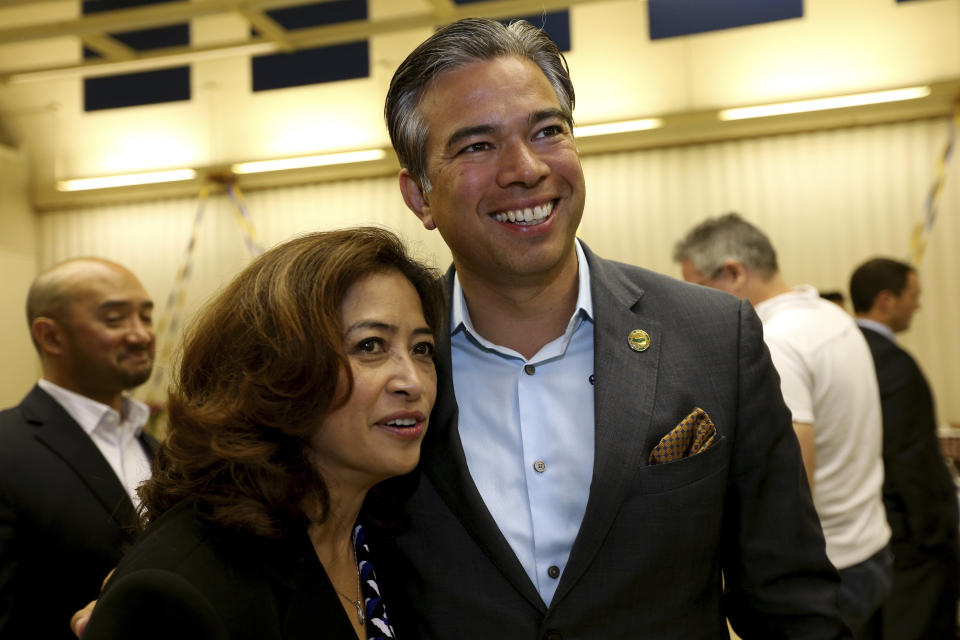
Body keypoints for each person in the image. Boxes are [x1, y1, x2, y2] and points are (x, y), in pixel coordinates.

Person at [376, 18, 850, 638]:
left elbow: (792, 606)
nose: (525, 169)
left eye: (547, 132)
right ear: (420, 197)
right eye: (476, 145)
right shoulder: (381, 372)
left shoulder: (714, 338)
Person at [75, 228, 443, 640]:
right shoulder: (175, 591)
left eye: (422, 349)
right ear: (276, 372)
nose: (413, 381)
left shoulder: (383, 537)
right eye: (370, 346)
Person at [673, 213, 892, 638]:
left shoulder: (775, 343)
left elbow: (788, 493)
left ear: (734, 272)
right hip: (871, 547)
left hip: (833, 568)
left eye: (697, 286)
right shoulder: (830, 315)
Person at [0, 257, 158, 640]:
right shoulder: (7, 447)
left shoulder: (162, 449)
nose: (140, 335)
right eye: (115, 319)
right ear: (51, 336)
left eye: (146, 316)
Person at [850, 257, 960, 640]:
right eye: (913, 296)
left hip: (865, 527)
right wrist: (939, 534)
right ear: (886, 300)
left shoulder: (847, 353)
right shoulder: (892, 364)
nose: (918, 305)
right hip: (910, 538)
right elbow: (910, 458)